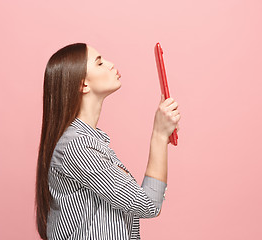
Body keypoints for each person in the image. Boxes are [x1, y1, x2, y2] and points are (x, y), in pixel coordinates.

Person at [35, 42, 181, 239]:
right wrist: (159, 135)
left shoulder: (91, 142)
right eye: (99, 63)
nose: (111, 64)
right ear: (83, 84)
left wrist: (162, 136)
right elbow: (148, 204)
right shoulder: (78, 147)